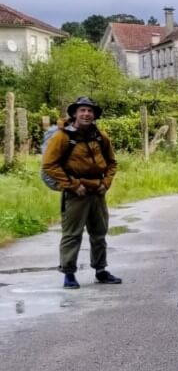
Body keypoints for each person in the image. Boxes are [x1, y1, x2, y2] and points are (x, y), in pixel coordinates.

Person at [42, 96, 121, 289]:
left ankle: (101, 271)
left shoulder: (100, 136)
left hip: (97, 192)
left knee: (99, 233)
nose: (86, 114)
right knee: (72, 234)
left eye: (90, 111)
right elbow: (49, 165)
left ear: (94, 115)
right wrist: (72, 185)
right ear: (75, 114)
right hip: (76, 193)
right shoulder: (63, 137)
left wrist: (106, 182)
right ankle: (69, 274)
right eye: (82, 111)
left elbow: (112, 163)